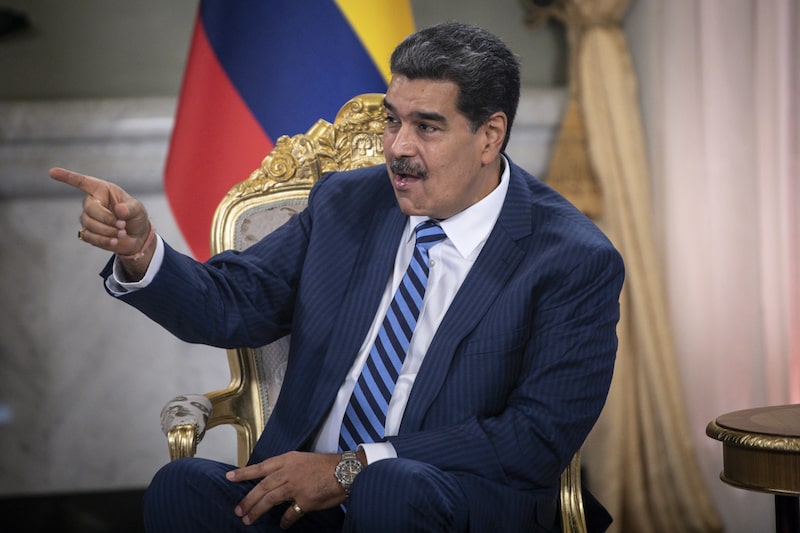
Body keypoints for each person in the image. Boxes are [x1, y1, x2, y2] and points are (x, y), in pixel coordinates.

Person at [51, 22, 623, 533]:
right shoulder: (349, 203)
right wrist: (142, 250)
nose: (398, 148)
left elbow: (535, 438)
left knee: (389, 488)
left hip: (448, 502)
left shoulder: (571, 258)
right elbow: (231, 302)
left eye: (427, 127)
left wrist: (352, 468)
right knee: (181, 489)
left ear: (490, 136)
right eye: (393, 121)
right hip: (300, 501)